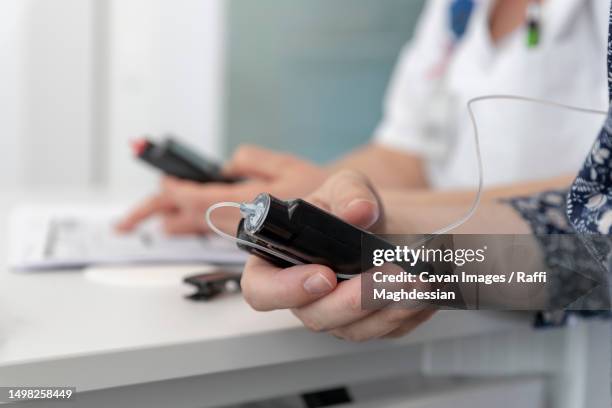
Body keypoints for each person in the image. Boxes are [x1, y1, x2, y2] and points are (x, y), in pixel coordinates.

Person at [117, 0, 609, 237]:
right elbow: (406, 153)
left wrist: (364, 216)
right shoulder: (458, 8)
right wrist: (304, 193)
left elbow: (602, 203)